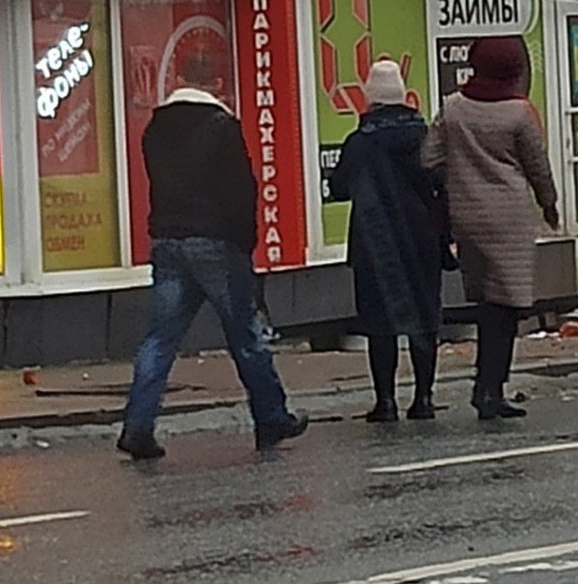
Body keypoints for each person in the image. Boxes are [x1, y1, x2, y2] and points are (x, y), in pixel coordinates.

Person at [117, 82, 307, 461]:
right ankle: (271, 417)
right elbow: (241, 191)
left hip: (169, 242)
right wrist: (244, 244)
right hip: (216, 245)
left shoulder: (155, 131)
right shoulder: (221, 127)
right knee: (245, 335)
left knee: (160, 339)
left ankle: (137, 427)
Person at [422, 35, 559, 421]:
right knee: (507, 306)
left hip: (467, 217)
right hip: (509, 218)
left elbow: (429, 158)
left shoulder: (453, 108)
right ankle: (490, 389)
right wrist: (549, 203)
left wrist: (460, 178)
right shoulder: (518, 114)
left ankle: (486, 387)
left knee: (487, 302)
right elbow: (537, 166)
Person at [334, 57, 445, 422]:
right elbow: (441, 183)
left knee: (380, 323)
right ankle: (424, 398)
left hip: (374, 239)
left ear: (372, 98)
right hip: (422, 237)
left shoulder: (359, 142)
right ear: (402, 96)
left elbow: (338, 187)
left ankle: (385, 402)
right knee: (424, 316)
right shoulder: (424, 136)